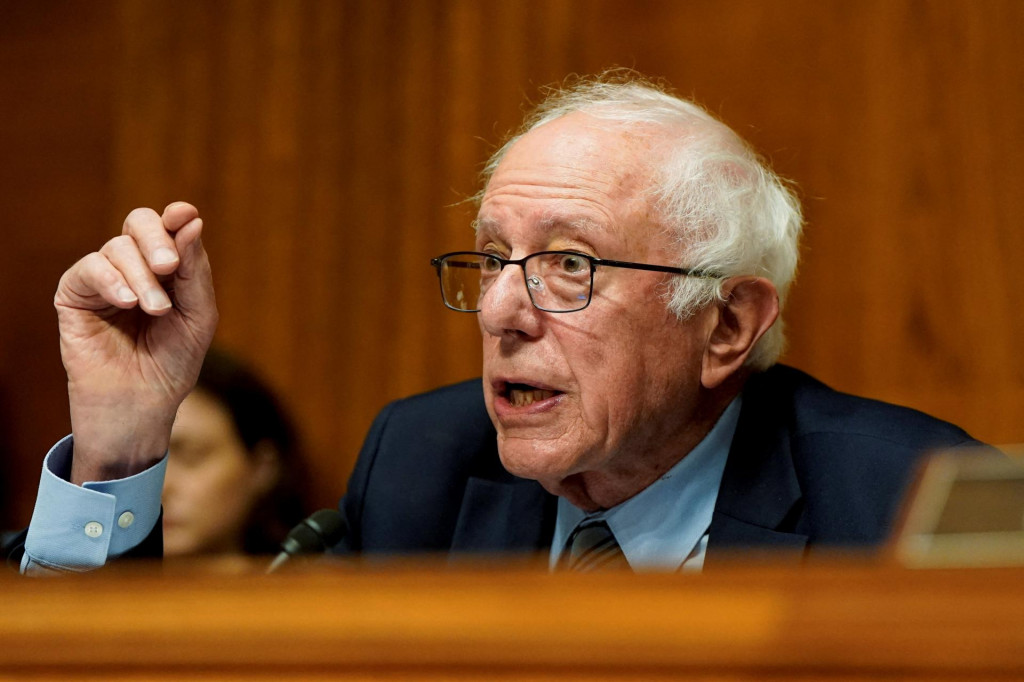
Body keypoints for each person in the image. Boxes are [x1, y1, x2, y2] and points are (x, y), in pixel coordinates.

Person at [12, 72, 979, 574]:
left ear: (726, 325)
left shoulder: (901, 501)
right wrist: (123, 447)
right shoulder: (427, 465)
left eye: (570, 264)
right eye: (491, 258)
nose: (504, 309)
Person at [163, 348, 310, 557]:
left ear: (262, 468)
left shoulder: (324, 586)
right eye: (138, 464)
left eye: (191, 457)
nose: (160, 488)